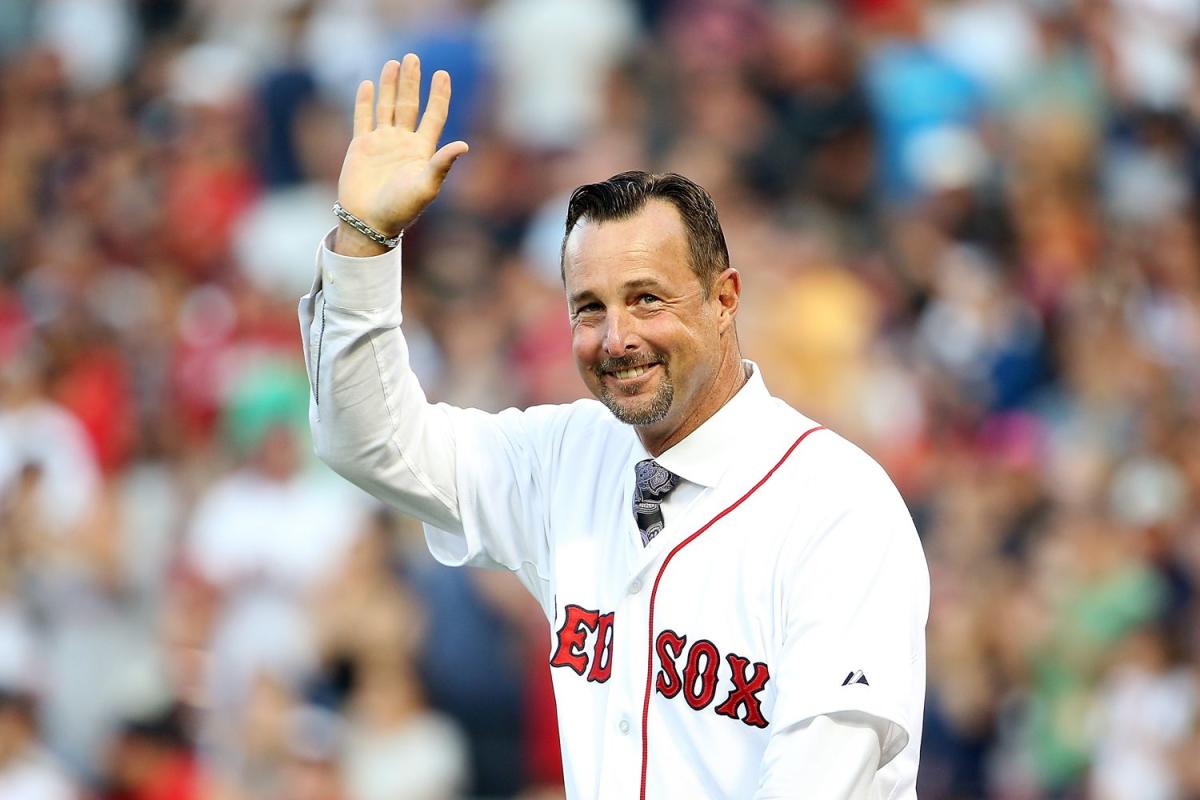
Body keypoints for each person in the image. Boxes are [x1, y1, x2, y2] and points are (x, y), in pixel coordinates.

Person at [300, 54, 929, 799]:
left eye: (647, 299)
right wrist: (364, 244)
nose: (616, 336)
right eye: (589, 307)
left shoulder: (836, 506)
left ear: (724, 298)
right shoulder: (569, 456)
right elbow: (369, 442)